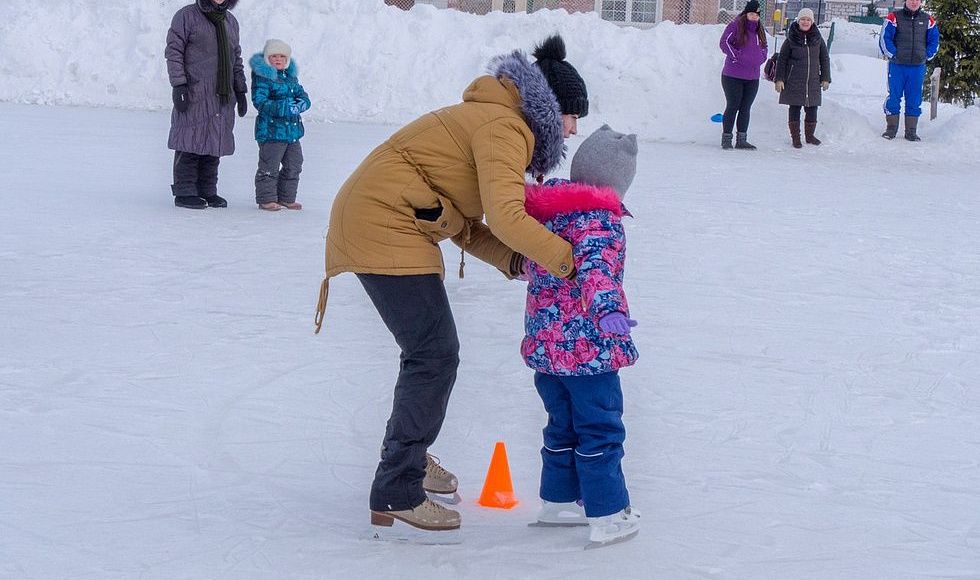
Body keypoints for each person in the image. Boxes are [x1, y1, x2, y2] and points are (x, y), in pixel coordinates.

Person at [315, 35, 589, 536]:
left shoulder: (495, 119)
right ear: (550, 108)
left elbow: (464, 224)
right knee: (433, 354)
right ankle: (398, 486)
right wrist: (568, 262)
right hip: (384, 224)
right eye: (572, 116)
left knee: (429, 352)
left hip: (388, 218)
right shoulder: (506, 127)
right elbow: (506, 215)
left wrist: (516, 261)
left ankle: (409, 462)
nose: (573, 129)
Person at [522, 125, 641, 547]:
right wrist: (609, 311)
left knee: (562, 426)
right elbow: (597, 271)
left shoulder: (547, 216)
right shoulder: (599, 222)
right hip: (588, 352)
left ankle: (558, 503)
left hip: (546, 351)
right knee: (601, 429)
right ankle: (608, 513)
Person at [165, 0, 248, 210]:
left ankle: (207, 190)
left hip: (222, 95)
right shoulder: (186, 16)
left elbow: (235, 57)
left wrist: (240, 88)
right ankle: (185, 192)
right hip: (195, 91)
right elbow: (174, 52)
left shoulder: (230, 21)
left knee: (213, 145)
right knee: (190, 142)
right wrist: (179, 85)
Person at [249, 39, 311, 211]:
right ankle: (266, 199)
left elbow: (303, 95)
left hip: (292, 132)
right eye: (274, 56)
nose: (278, 59)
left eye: (282, 56)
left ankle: (286, 198)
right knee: (269, 167)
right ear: (267, 58)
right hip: (271, 132)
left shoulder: (291, 78)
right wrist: (285, 107)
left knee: (294, 164)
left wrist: (302, 104)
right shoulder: (263, 77)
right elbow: (260, 101)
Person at [879, 0, 940, 141]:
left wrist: (927, 54)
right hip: (897, 66)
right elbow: (885, 38)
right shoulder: (893, 17)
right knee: (894, 96)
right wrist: (893, 54)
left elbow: (934, 40)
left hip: (917, 67)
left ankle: (911, 131)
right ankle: (891, 129)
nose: (914, 2)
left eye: (917, 0)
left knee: (914, 98)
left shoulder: (927, 20)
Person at [774, 9, 831, 148]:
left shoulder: (818, 39)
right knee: (794, 108)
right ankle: (795, 138)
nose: (805, 22)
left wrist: (825, 78)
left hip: (812, 81)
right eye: (803, 19)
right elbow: (782, 60)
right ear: (798, 21)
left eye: (808, 20)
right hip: (794, 80)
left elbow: (824, 58)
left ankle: (810, 136)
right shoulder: (791, 39)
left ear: (812, 22)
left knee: (812, 109)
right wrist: (779, 79)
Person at [718, 0, 769, 150]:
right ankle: (726, 138)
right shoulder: (735, 26)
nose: (754, 17)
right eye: (751, 14)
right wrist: (737, 56)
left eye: (756, 15)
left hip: (752, 78)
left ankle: (742, 140)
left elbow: (764, 47)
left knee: (745, 107)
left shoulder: (760, 30)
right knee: (733, 106)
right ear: (746, 13)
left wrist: (762, 57)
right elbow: (724, 43)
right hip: (732, 75)